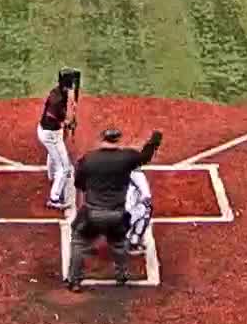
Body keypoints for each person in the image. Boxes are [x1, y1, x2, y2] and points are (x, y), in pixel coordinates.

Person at [66, 127, 164, 291]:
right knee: (119, 243)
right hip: (117, 214)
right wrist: (153, 143)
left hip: (92, 213)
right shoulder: (127, 157)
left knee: (78, 242)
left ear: (102, 139)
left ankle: (75, 281)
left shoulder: (89, 159)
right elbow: (145, 157)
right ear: (118, 140)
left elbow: (79, 184)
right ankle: (122, 274)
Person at [36, 69, 79, 210]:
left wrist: (68, 119)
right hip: (50, 135)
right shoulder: (57, 100)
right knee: (64, 168)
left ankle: (51, 176)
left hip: (49, 132)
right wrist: (68, 123)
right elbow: (52, 117)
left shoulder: (58, 91)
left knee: (53, 154)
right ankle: (54, 199)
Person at [124, 168, 153, 256]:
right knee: (147, 209)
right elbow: (147, 197)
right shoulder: (138, 175)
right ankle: (133, 242)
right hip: (125, 217)